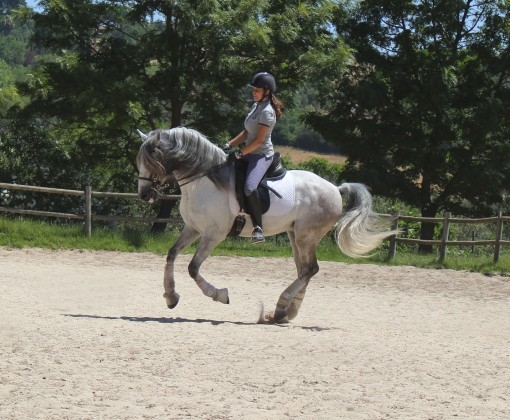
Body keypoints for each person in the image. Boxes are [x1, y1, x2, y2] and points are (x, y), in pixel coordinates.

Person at [224, 72, 283, 244]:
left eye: (257, 89)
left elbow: (258, 141)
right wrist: (229, 144)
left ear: (267, 91)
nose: (253, 92)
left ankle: (258, 228)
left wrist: (240, 153)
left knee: (250, 187)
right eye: (253, 89)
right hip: (249, 152)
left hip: (261, 155)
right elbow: (247, 132)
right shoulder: (256, 106)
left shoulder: (267, 112)